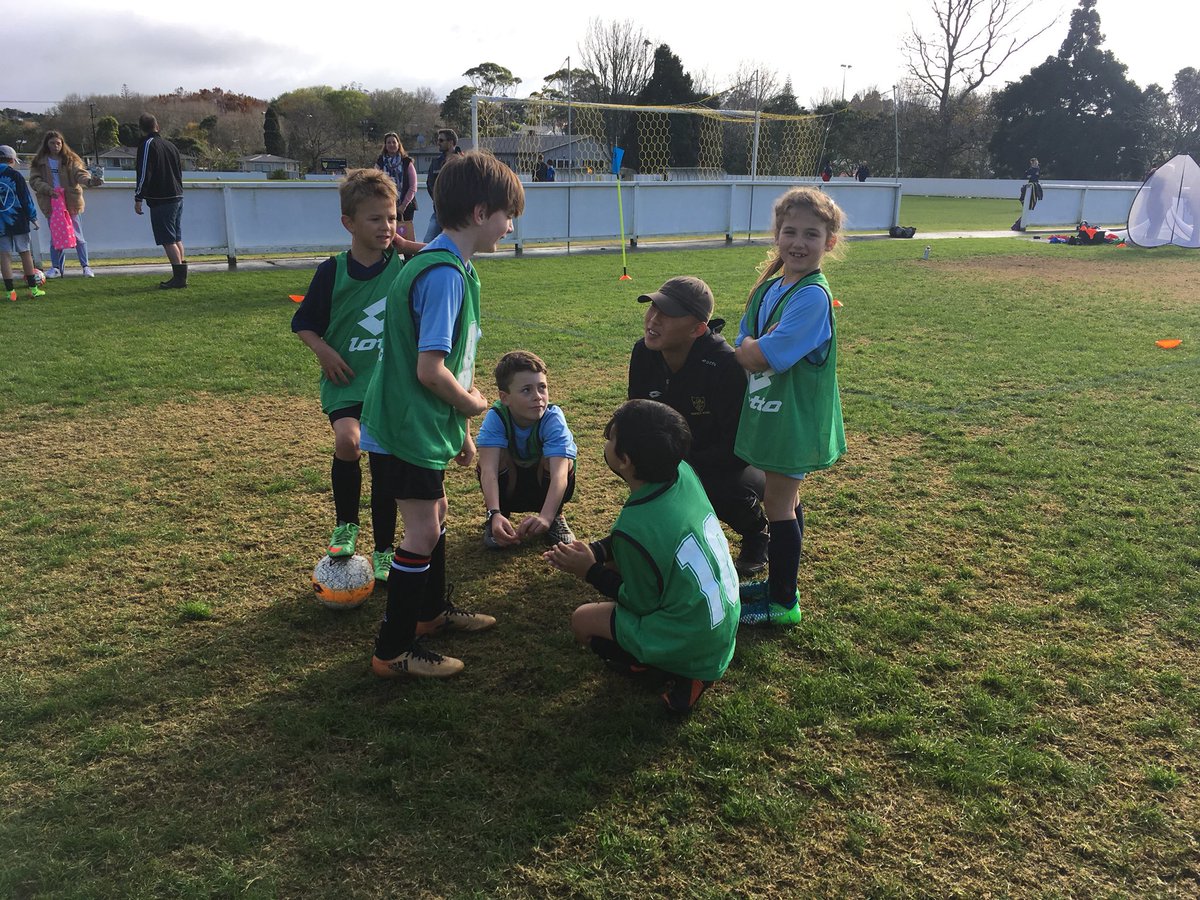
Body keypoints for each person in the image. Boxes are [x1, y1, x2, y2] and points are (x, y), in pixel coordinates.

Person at [362, 150, 525, 679]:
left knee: (434, 520)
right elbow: (431, 370)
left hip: (423, 426)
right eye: (507, 213)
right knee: (423, 533)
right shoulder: (444, 275)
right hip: (405, 429)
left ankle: (430, 616)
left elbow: (453, 361)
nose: (511, 224)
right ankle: (394, 651)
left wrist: (462, 431)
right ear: (480, 214)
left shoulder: (454, 267)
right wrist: (476, 406)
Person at [544, 399, 740, 714]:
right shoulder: (684, 473)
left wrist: (589, 570)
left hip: (692, 639)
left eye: (610, 437)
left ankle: (666, 668)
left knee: (582, 622)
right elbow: (644, 543)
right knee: (628, 568)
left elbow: (640, 602)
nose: (605, 441)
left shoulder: (634, 526)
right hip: (721, 626)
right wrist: (596, 551)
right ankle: (681, 663)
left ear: (624, 461)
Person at [733, 187, 847, 627]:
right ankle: (783, 582)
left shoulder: (812, 296)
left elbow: (757, 354)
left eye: (812, 234)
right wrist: (752, 344)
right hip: (772, 409)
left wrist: (751, 347)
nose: (799, 243)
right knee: (781, 497)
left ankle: (782, 603)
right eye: (790, 231)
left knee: (778, 504)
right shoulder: (770, 288)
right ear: (776, 235)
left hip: (796, 418)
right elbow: (746, 335)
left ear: (829, 243)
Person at [292, 168, 408, 584]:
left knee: (384, 466)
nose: (387, 226)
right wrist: (324, 351)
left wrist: (408, 243)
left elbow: (443, 254)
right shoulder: (332, 271)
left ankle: (383, 548)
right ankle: (346, 526)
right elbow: (303, 323)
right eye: (375, 218)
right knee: (348, 440)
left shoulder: (404, 265)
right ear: (349, 223)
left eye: (392, 217)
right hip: (346, 382)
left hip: (387, 388)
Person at [628, 276, 770, 578]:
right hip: (673, 456)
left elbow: (738, 448)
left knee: (714, 485)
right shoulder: (643, 352)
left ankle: (757, 531)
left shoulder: (724, 365)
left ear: (698, 329)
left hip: (728, 463)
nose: (653, 319)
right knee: (623, 454)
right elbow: (636, 418)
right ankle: (661, 534)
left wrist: (684, 466)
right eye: (652, 308)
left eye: (667, 314)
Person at [477, 350, 577, 550]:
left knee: (562, 461)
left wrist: (547, 517)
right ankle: (499, 521)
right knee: (494, 458)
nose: (538, 397)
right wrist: (493, 513)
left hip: (543, 487)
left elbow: (559, 476)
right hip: (511, 488)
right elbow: (488, 470)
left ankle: (556, 516)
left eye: (542, 387)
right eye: (526, 390)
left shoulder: (553, 418)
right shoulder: (497, 417)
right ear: (505, 398)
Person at [28, 131, 103, 278]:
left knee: (78, 235)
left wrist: (89, 181)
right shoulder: (39, 162)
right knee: (56, 236)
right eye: (52, 143)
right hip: (52, 202)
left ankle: (86, 267)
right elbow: (34, 181)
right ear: (46, 144)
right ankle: (56, 268)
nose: (55, 146)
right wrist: (49, 190)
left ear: (62, 144)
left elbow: (79, 174)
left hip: (70, 202)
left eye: (58, 143)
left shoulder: (70, 159)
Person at [133, 114, 186, 289]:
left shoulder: (147, 145)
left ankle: (179, 278)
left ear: (141, 128)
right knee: (176, 237)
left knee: (167, 239)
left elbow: (144, 172)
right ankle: (181, 275)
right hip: (177, 196)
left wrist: (138, 197)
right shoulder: (171, 146)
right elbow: (179, 172)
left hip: (162, 198)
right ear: (157, 126)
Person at [0, 145, 47, 302]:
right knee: (25, 252)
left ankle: (10, 293)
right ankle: (33, 289)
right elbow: (25, 199)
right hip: (18, 219)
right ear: (12, 160)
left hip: (1, 223)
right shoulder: (16, 176)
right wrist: (33, 217)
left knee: (4, 255)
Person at [374, 133, 418, 243]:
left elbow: (413, 186)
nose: (391, 144)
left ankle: (409, 259)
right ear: (385, 145)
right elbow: (375, 183)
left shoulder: (406, 162)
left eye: (394, 142)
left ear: (398, 144)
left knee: (406, 237)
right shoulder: (380, 162)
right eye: (389, 142)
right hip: (386, 205)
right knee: (389, 236)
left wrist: (403, 206)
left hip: (406, 206)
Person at [422, 128, 463, 242]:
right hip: (439, 212)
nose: (438, 143)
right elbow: (430, 183)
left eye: (441, 140)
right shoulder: (436, 162)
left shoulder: (464, 161)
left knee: (458, 244)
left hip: (458, 213)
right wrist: (437, 199)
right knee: (428, 242)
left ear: (450, 142)